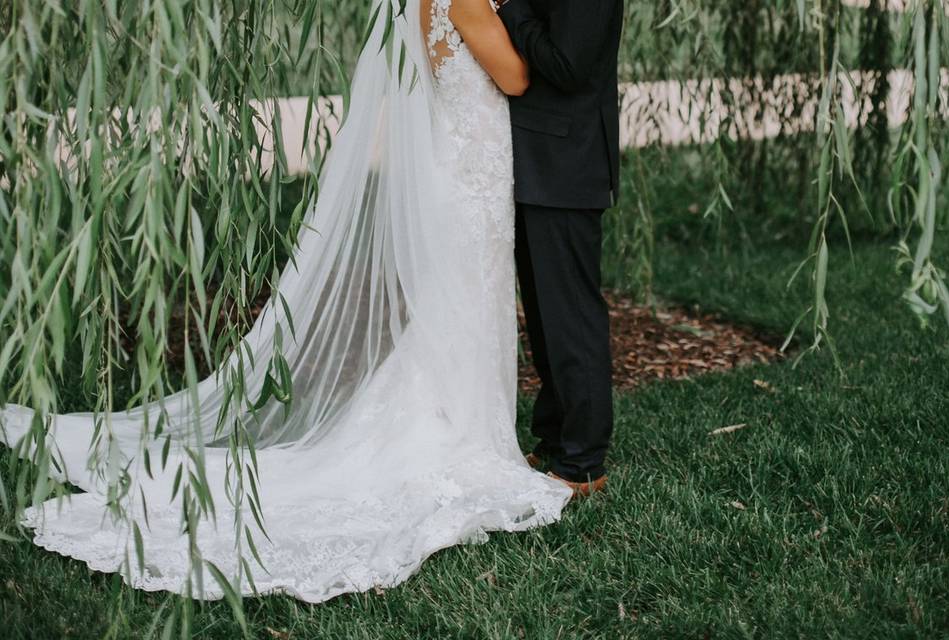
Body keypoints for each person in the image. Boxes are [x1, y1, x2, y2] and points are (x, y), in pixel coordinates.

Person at [0, 0, 603, 603]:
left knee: (461, 312)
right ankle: (462, 431)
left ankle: (471, 421)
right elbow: (518, 77)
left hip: (466, 169)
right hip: (475, 175)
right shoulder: (467, 1)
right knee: (467, 309)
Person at [498, 0, 623, 493]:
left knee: (571, 315)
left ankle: (584, 460)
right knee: (547, 317)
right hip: (540, 161)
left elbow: (569, 66)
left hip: (567, 164)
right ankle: (554, 437)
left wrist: (510, 11)